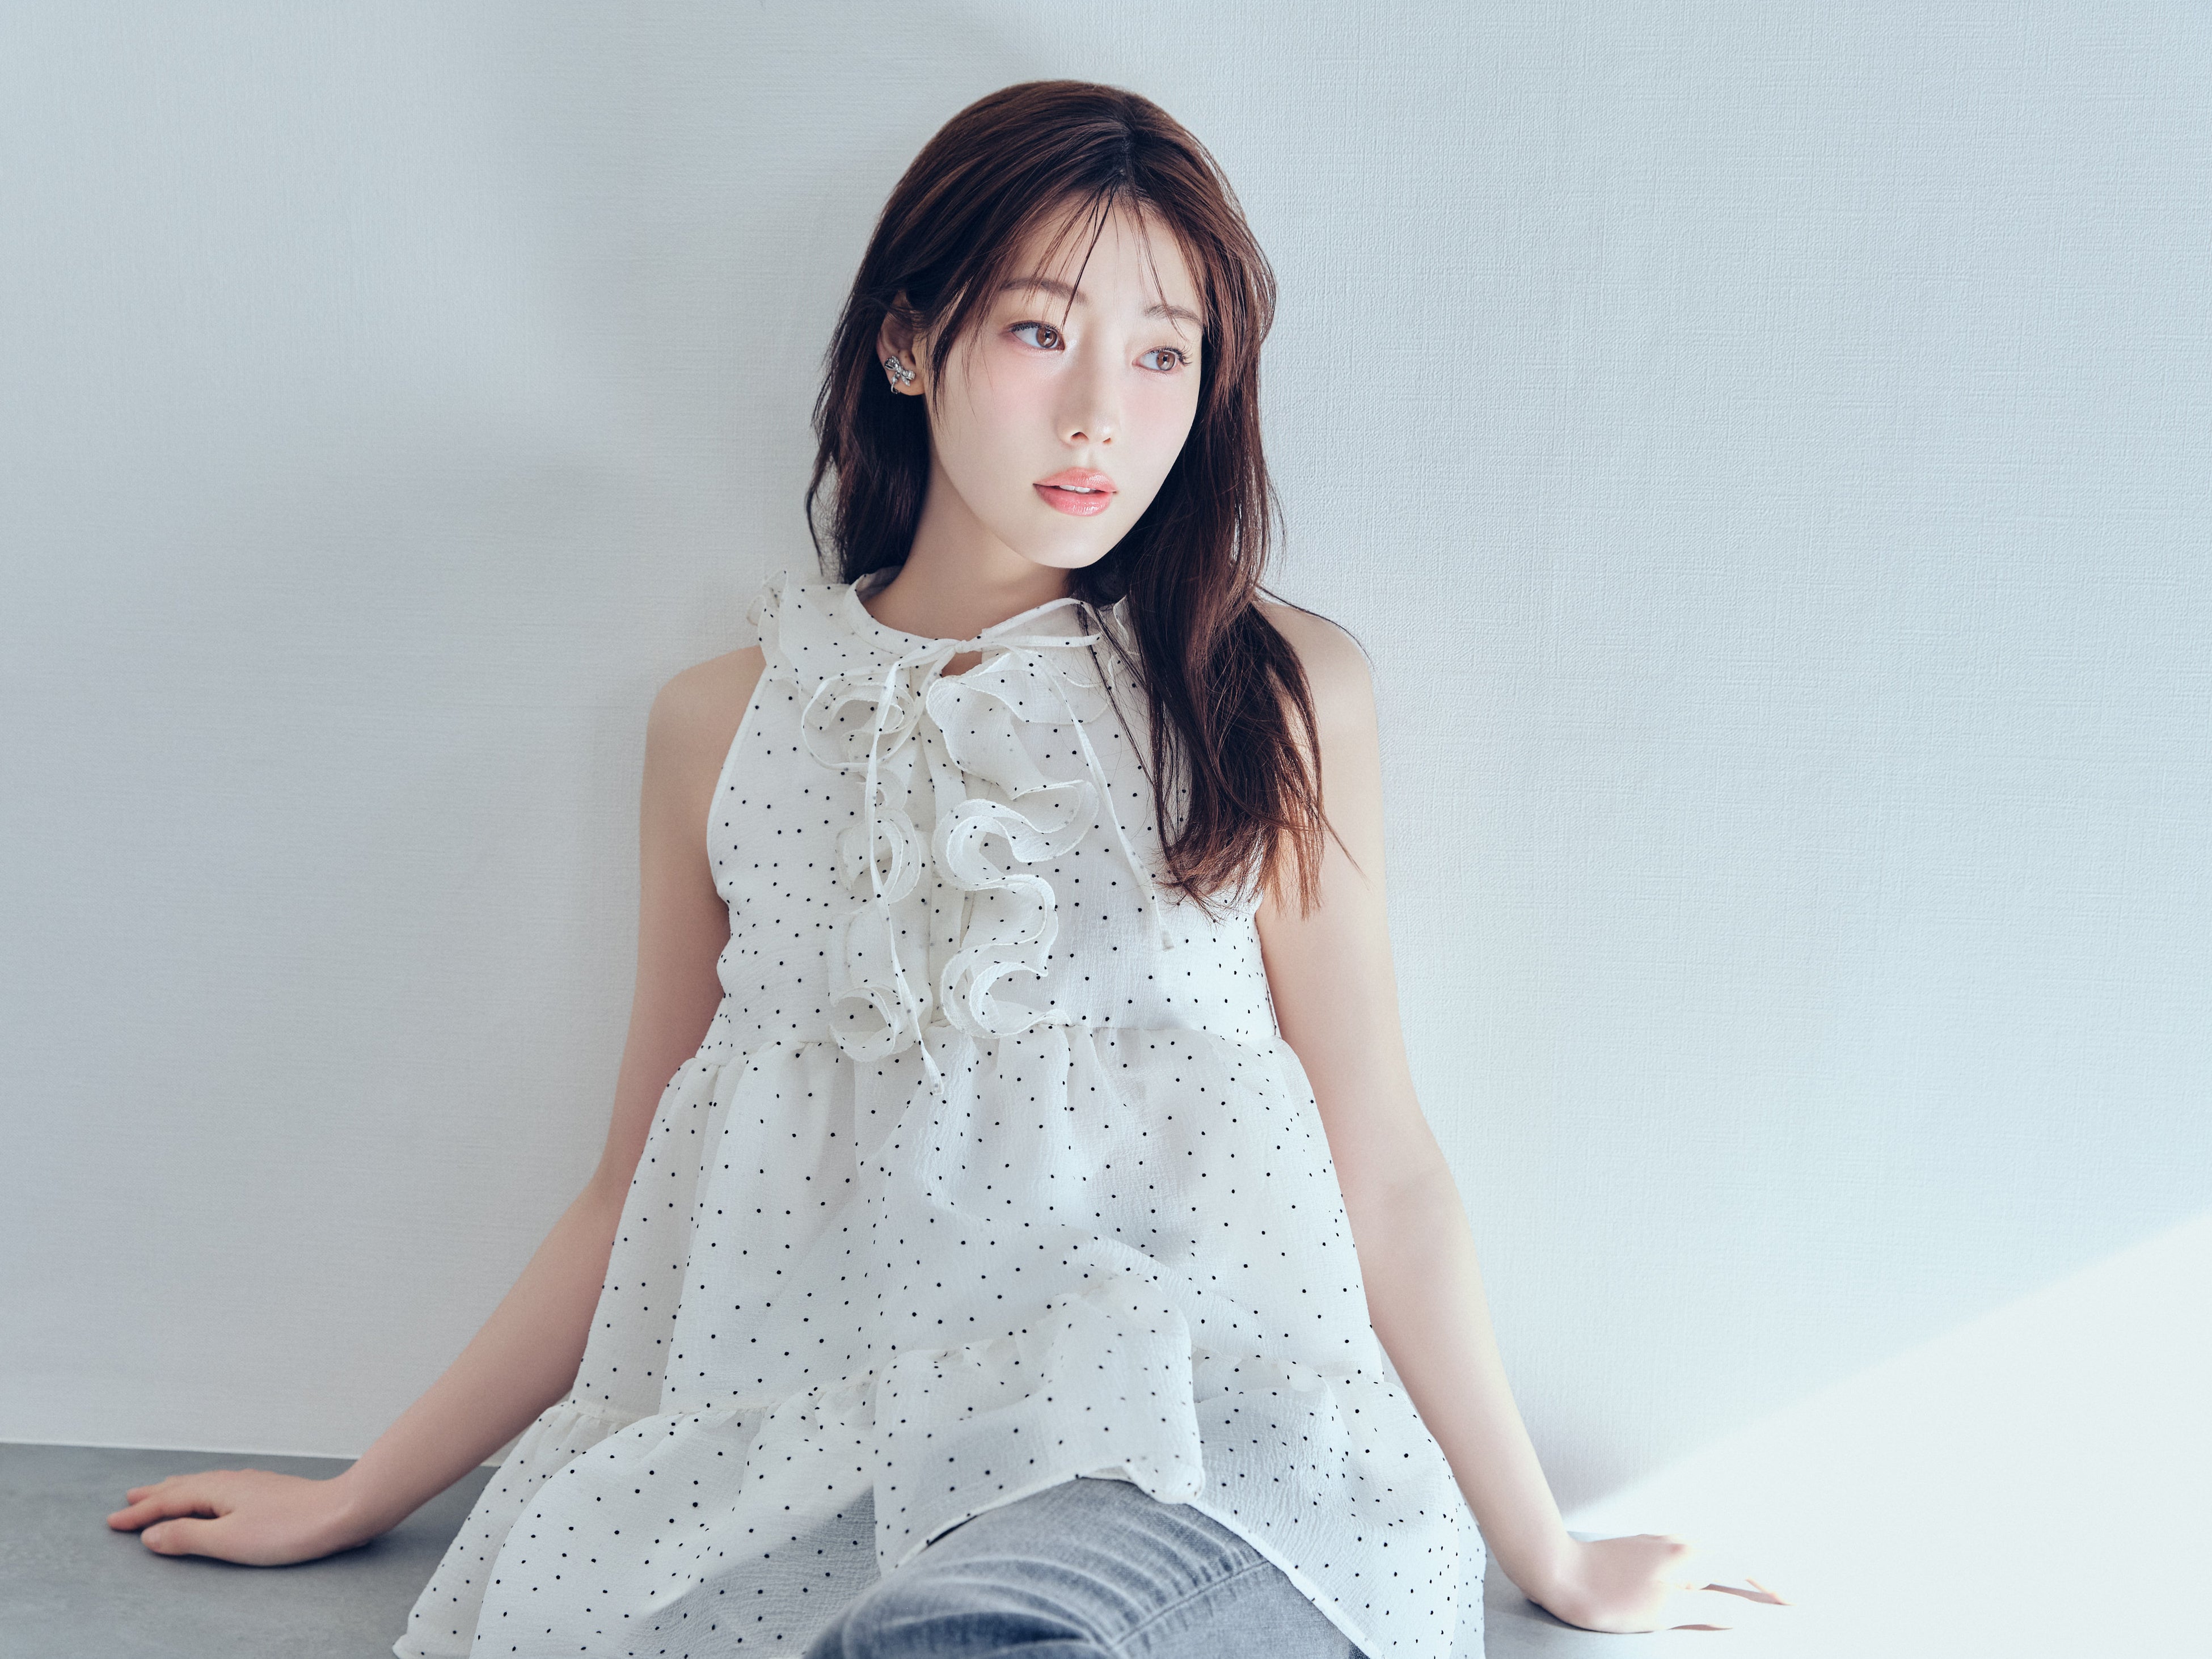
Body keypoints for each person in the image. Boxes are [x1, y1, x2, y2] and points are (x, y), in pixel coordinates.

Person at [104, 81, 1786, 1658]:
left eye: (1164, 354)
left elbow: (1384, 1161)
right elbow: (631, 1192)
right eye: (1039, 333)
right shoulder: (726, 723)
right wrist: (360, 1494)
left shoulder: (1261, 692)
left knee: (982, 1636)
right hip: (798, 1462)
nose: (1099, 414)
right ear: (909, 342)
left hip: (1185, 1446)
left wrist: (1545, 1553)